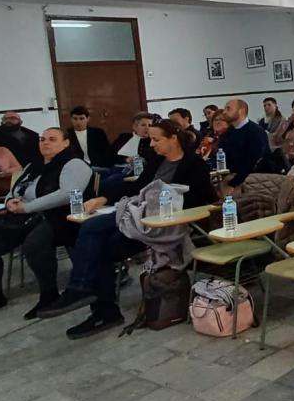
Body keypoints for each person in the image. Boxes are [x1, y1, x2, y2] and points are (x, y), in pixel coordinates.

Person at [41, 119, 215, 336]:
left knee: (92, 228)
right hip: (141, 217)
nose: (151, 144)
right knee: (99, 245)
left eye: (156, 139)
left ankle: (83, 290)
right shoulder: (157, 161)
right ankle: (102, 309)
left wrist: (159, 202)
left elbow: (203, 199)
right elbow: (136, 187)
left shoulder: (194, 164)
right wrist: (104, 198)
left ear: (173, 138)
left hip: (165, 224)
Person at [0, 127, 93, 320]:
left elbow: (67, 194)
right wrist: (10, 201)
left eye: (52, 139)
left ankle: (49, 295)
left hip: (59, 217)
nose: (45, 143)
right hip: (23, 216)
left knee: (34, 244)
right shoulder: (34, 165)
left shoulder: (74, 164)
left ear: (66, 143)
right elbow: (15, 189)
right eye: (42, 139)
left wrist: (28, 207)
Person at [219, 98, 269, 188]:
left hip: (252, 181)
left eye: (228, 109)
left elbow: (253, 162)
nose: (224, 112)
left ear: (241, 111)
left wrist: (233, 183)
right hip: (230, 177)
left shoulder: (256, 132)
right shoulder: (228, 133)